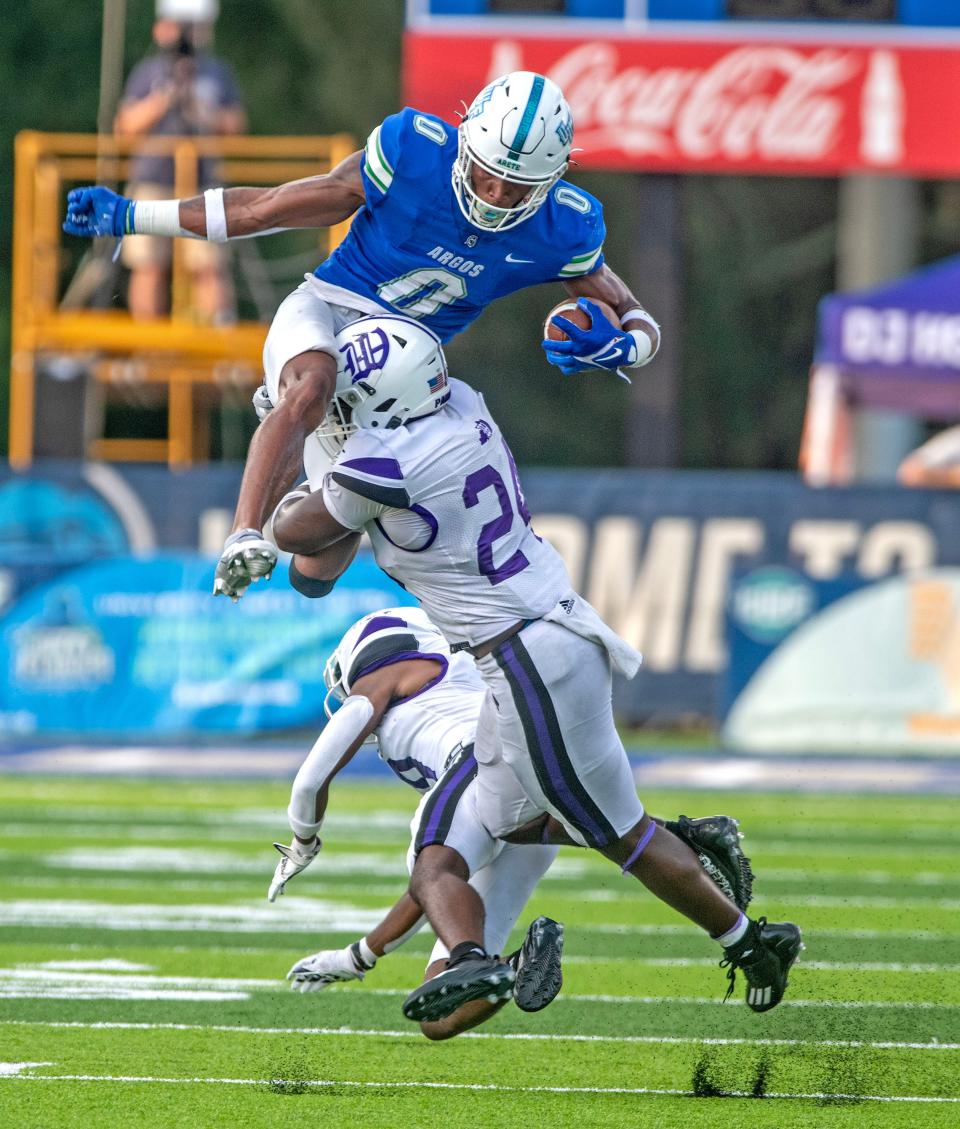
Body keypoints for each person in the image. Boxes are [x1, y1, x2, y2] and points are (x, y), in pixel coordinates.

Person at [267, 312, 802, 1025]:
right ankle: (475, 959)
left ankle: (749, 940)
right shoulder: (462, 402)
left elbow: (294, 539)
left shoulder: (388, 464)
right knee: (448, 852)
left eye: (357, 394)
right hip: (539, 640)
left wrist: (300, 440)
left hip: (524, 658)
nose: (345, 405)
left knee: (619, 835)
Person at [62, 70, 661, 599]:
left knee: (315, 572)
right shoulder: (414, 152)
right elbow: (266, 208)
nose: (496, 196)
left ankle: (308, 502)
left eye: (518, 187)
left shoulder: (563, 227)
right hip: (329, 308)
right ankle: (242, 530)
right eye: (486, 175)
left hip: (406, 375)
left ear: (555, 178)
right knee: (313, 382)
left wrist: (622, 345)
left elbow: (631, 311)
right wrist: (134, 216)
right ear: (464, 144)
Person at [268, 603, 563, 1039]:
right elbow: (430, 896)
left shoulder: (383, 680)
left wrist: (303, 842)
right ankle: (515, 966)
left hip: (480, 764)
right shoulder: (464, 671)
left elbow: (310, 782)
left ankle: (473, 958)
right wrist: (354, 958)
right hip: (531, 780)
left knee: (435, 878)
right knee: (436, 1018)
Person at [113, 1, 246, 322]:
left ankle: (216, 347)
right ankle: (150, 347)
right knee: (148, 265)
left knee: (209, 265)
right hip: (152, 180)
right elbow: (124, 127)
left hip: (202, 182)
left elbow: (236, 128)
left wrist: (200, 108)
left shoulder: (216, 72)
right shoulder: (149, 72)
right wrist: (164, 99)